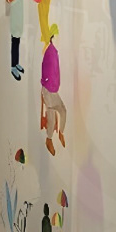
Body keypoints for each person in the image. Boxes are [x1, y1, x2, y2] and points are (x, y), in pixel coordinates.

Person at [40, 26, 66, 155]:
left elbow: (56, 71)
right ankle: (49, 139)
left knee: (63, 110)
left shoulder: (54, 51)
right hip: (48, 89)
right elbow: (45, 69)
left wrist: (56, 84)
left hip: (54, 89)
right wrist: (46, 83)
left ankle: (61, 132)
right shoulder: (49, 51)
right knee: (51, 115)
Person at [5, 0, 25, 79]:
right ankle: (13, 66)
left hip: (19, 19)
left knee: (18, 41)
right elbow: (8, 2)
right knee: (14, 41)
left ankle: (16, 62)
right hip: (14, 19)